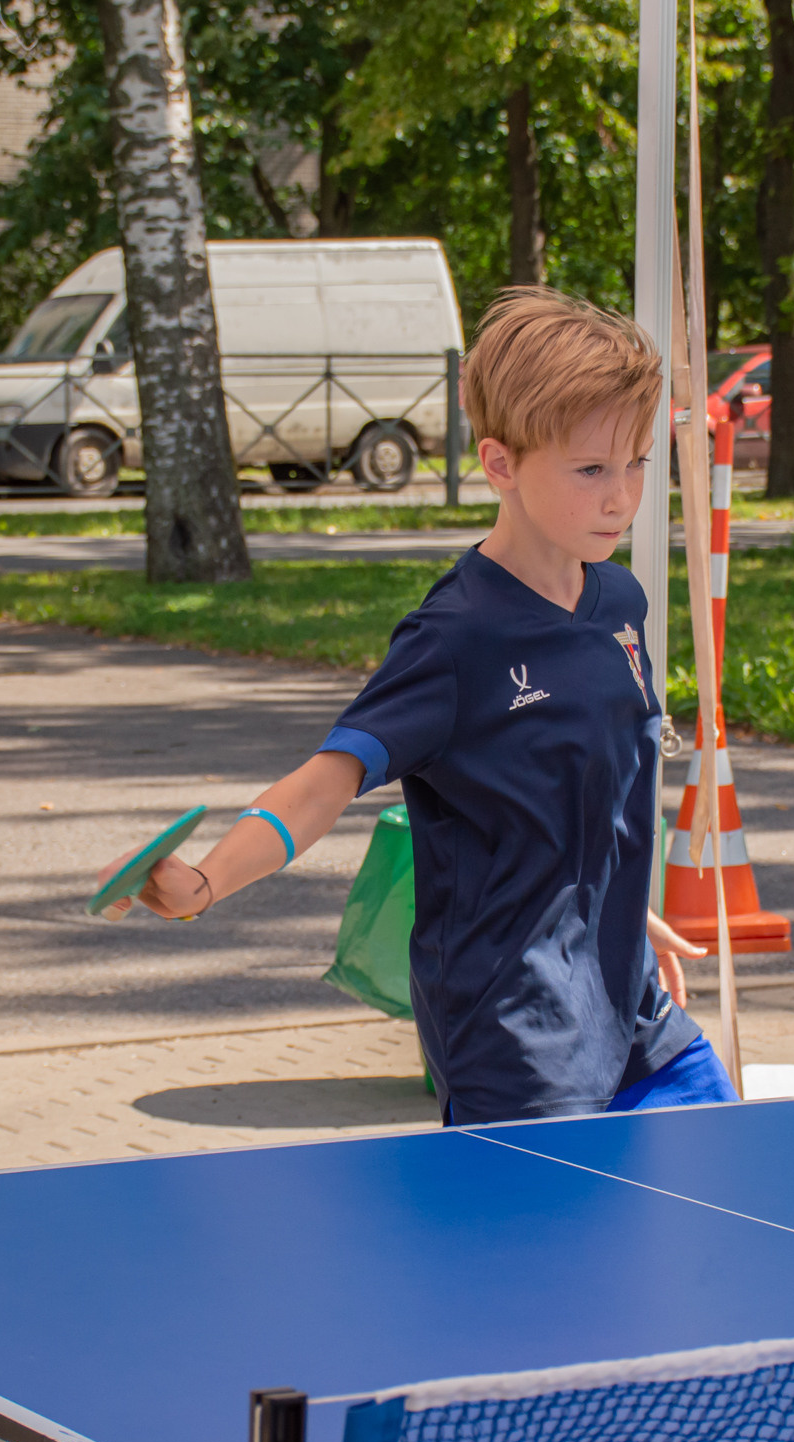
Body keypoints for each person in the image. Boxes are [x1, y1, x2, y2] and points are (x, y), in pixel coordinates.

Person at [96, 286, 735, 1125]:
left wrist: (607, 900)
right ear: (500, 463)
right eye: (590, 470)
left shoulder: (621, 603)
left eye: (637, 463)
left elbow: (579, 787)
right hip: (519, 1036)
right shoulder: (453, 638)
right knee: (547, 1254)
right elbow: (324, 782)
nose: (621, 496)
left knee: (718, 1174)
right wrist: (207, 882)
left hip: (635, 1010)